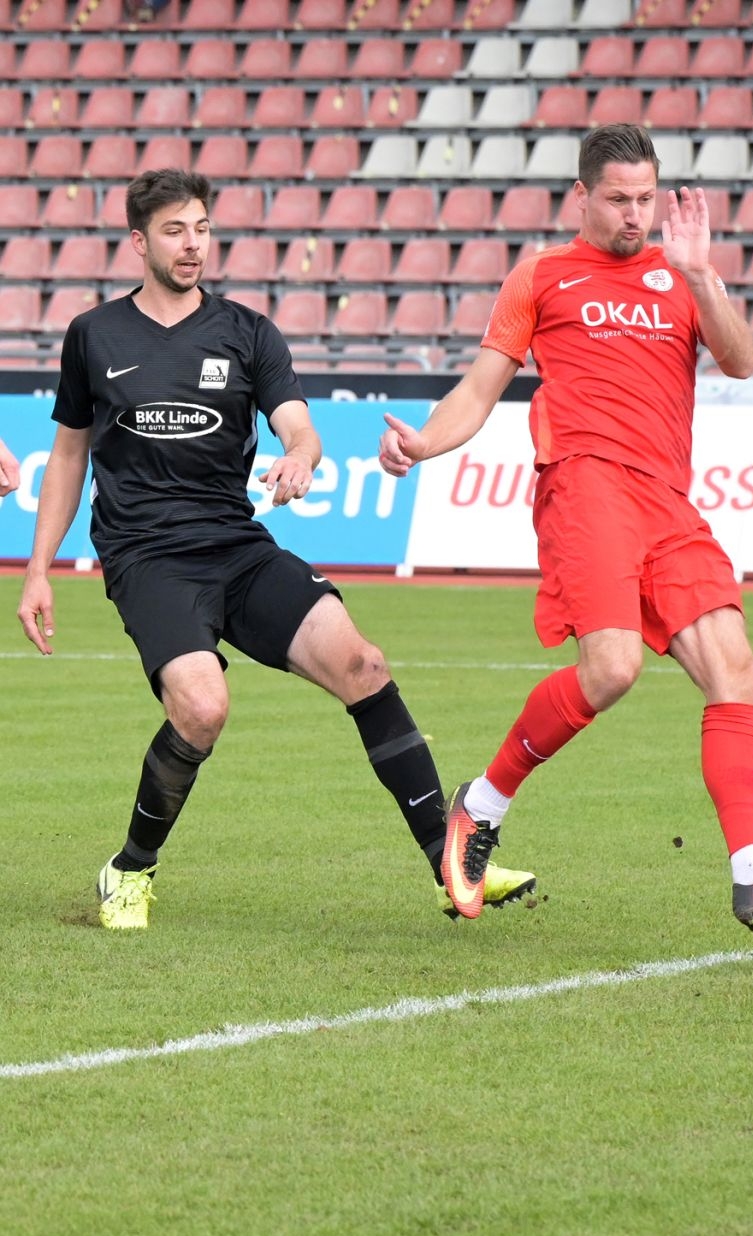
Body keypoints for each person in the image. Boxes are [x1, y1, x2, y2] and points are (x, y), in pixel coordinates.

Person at [377, 124, 753, 929]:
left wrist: (703, 275)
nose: (633, 214)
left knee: (736, 674)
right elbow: (478, 389)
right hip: (585, 484)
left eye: (645, 198)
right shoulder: (542, 275)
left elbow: (742, 360)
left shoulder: (680, 277)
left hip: (667, 502)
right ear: (582, 195)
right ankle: (481, 804)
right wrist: (425, 442)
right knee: (611, 670)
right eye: (617, 199)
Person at [14, 168, 536, 930]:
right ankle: (129, 871)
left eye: (200, 228)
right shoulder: (94, 335)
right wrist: (37, 572)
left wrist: (302, 455)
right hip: (146, 557)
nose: (192, 245)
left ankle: (449, 865)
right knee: (201, 706)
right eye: (173, 231)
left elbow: (299, 424)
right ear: (138, 242)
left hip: (237, 547)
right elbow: (65, 458)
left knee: (364, 663)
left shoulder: (247, 330)